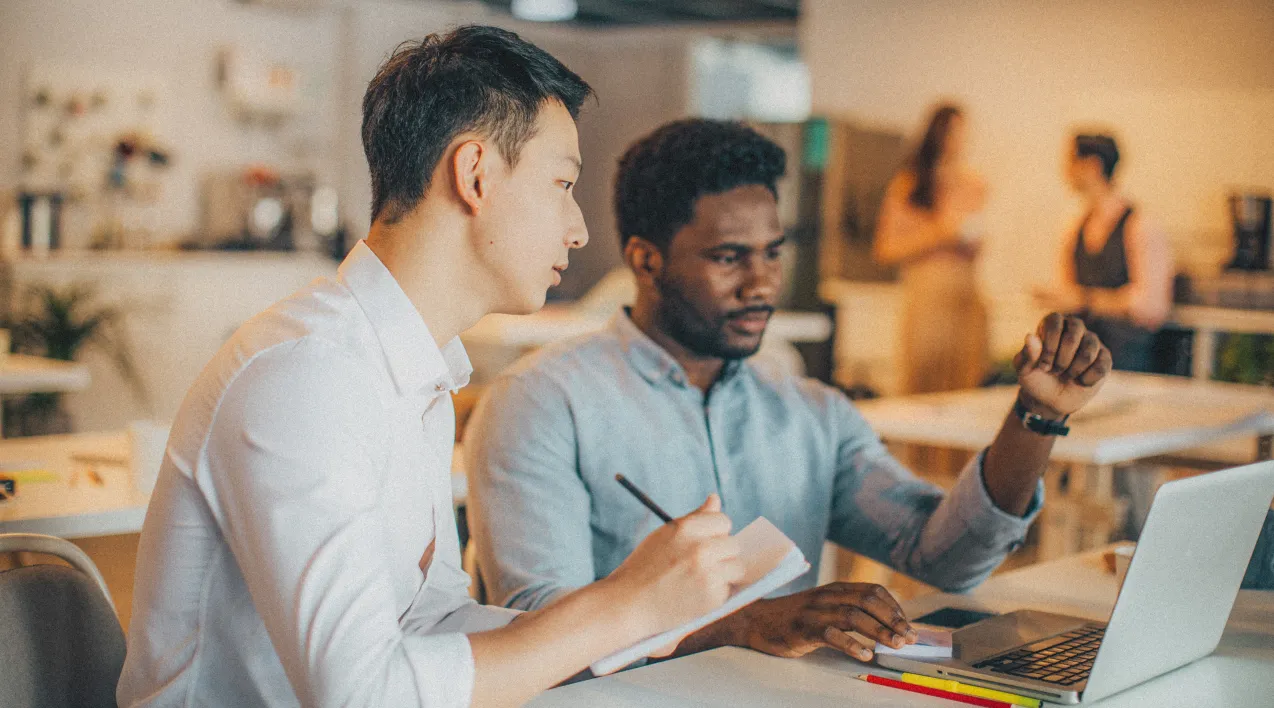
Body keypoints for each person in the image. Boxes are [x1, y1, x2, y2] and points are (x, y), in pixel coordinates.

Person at [118, 27, 747, 708]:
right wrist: (621, 608)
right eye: (562, 184)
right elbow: (362, 697)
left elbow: (432, 624)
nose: (579, 228)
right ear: (474, 173)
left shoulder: (417, 371)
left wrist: (631, 622)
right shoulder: (309, 376)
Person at [466, 118, 1114, 665]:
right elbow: (538, 627)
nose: (763, 283)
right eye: (729, 258)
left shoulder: (809, 412)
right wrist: (745, 625)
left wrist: (1035, 417)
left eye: (772, 253)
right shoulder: (540, 403)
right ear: (645, 260)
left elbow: (946, 557)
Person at [875, 103, 989, 395]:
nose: (959, 141)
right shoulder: (910, 185)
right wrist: (938, 235)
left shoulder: (973, 183)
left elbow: (978, 239)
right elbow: (885, 249)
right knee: (924, 385)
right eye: (953, 133)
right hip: (928, 299)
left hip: (965, 296)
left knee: (964, 384)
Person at [1034, 133, 1173, 372]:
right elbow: (1068, 289)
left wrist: (1085, 300)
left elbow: (1152, 305)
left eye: (1071, 161)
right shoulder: (1074, 226)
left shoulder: (1139, 225)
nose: (1066, 170)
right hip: (1080, 361)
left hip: (1127, 360)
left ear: (1093, 165)